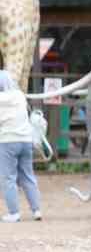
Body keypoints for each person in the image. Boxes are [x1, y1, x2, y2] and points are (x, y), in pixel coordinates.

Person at [0, 71, 42, 222]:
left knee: (8, 178)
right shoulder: (19, 96)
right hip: (25, 140)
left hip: (7, 141)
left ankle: (14, 213)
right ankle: (36, 210)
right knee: (28, 175)